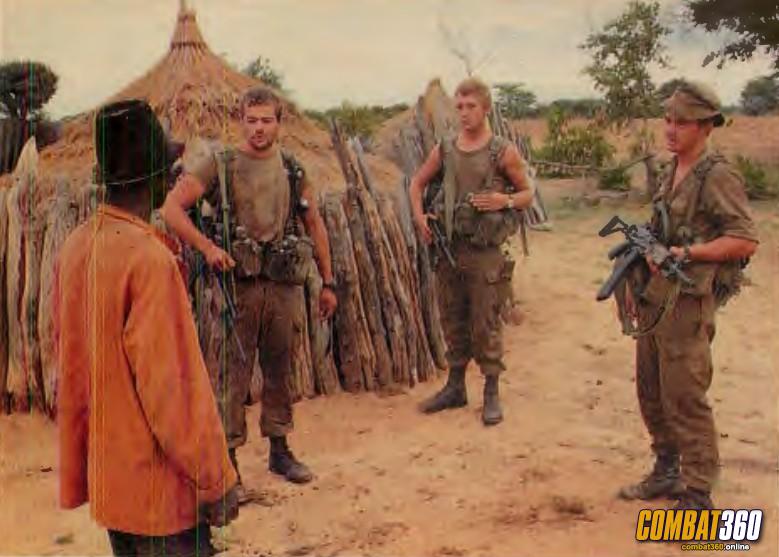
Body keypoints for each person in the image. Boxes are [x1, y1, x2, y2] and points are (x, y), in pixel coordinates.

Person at [56, 99, 238, 556]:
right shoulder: (149, 260)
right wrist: (214, 479)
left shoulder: (77, 247)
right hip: (161, 496)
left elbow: (73, 370)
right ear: (157, 178)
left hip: (115, 487)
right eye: (171, 171)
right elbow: (171, 391)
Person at [161, 86, 337, 487]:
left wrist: (328, 282)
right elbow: (171, 209)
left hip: (283, 284)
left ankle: (280, 450)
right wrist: (207, 247)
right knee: (232, 375)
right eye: (252, 120)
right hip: (237, 287)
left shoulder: (292, 169)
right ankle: (228, 461)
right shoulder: (220, 164)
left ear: (279, 123)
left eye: (266, 121)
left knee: (280, 368)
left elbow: (314, 224)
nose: (259, 128)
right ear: (240, 121)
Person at [616, 81, 758, 510]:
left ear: (706, 126)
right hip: (656, 297)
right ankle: (667, 469)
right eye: (668, 120)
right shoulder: (671, 169)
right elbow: (659, 228)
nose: (671, 128)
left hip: (688, 302)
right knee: (651, 390)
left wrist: (689, 253)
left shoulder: (717, 175)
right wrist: (636, 274)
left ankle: (697, 493)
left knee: (684, 396)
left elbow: (744, 239)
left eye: (682, 122)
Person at [409, 77, 534, 426]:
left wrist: (503, 200)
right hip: (450, 251)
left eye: (471, 106)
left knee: (485, 321)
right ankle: (455, 387)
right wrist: (420, 218)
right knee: (452, 317)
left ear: (486, 109)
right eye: (459, 106)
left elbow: (527, 194)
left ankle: (491, 392)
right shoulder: (446, 148)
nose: (464, 113)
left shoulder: (502, 151)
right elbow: (416, 183)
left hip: (485, 254)